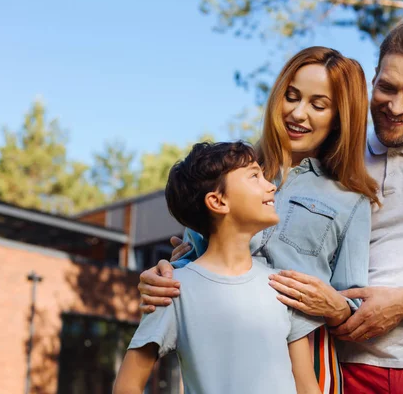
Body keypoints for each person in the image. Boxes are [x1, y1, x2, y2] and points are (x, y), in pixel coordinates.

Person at [139, 21, 403, 393]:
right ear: (372, 82)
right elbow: (204, 249)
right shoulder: (325, 161)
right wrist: (170, 272)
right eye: (387, 87)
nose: (396, 105)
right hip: (345, 365)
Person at [138, 46, 380, 394]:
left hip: (307, 357)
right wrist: (160, 275)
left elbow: (353, 302)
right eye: (292, 96)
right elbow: (194, 258)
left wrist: (338, 306)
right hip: (225, 346)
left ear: (340, 116)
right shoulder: (227, 171)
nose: (298, 113)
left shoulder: (351, 199)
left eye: (318, 104)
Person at [113, 141, 323, 394]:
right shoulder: (173, 291)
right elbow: (127, 385)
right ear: (218, 201)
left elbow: (307, 386)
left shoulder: (282, 285)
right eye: (255, 176)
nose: (271, 185)